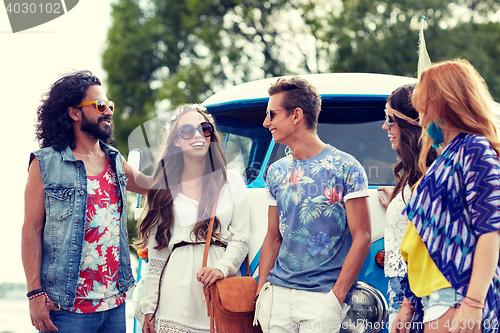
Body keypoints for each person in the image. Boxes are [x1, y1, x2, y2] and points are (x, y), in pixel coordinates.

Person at [22, 70, 150, 333]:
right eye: (99, 105)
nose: (108, 111)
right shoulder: (44, 163)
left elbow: (153, 185)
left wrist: (188, 156)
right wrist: (34, 295)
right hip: (66, 309)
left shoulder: (115, 159)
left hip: (114, 305)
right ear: (74, 113)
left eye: (109, 105)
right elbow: (31, 229)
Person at [255, 76, 371, 333]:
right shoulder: (275, 171)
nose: (266, 123)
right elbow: (273, 237)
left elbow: (362, 237)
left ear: (296, 115)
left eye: (271, 115)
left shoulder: (346, 167)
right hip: (277, 295)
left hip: (322, 298)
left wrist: (336, 297)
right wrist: (261, 292)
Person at [392, 59, 500, 333]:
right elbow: (422, 243)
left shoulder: (473, 148)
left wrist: (474, 304)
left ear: (444, 102)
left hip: (457, 295)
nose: (420, 116)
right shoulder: (446, 157)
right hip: (435, 299)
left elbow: (491, 229)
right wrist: (409, 304)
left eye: (423, 104)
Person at [136, 104, 250, 333]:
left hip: (219, 289)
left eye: (204, 129)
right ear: (176, 140)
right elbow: (157, 255)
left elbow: (241, 238)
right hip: (174, 295)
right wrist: (149, 306)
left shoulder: (232, 180)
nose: (198, 135)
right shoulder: (164, 188)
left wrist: (222, 267)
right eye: (187, 131)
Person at [377, 84, 437, 329]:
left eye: (389, 120)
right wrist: (398, 199)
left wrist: (407, 305)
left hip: (415, 296)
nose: (385, 127)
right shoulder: (413, 178)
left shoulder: (429, 177)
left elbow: (424, 248)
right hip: (403, 291)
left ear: (411, 124)